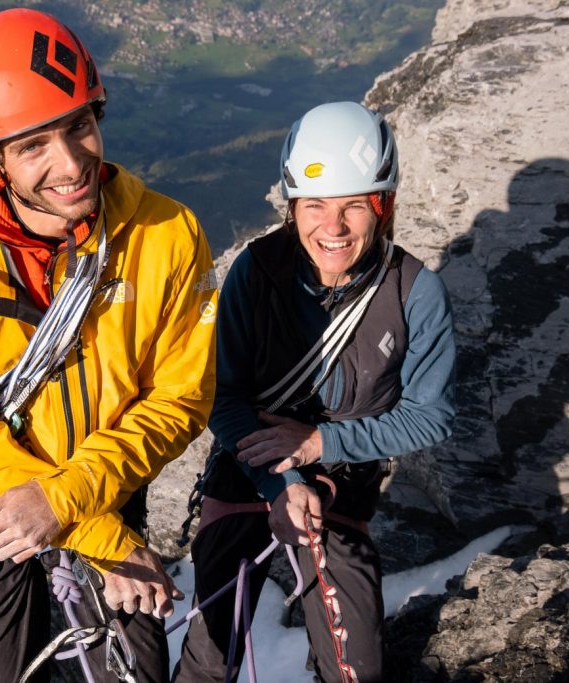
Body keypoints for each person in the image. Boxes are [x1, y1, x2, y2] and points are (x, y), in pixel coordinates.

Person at [0, 8, 217, 682]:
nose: (70, 164)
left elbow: (180, 398)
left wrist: (69, 500)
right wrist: (87, 529)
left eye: (80, 128)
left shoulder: (167, 234)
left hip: (104, 492)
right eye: (33, 145)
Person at [173, 101, 456, 683]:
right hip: (249, 466)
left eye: (355, 205)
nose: (334, 227)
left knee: (356, 669)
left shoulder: (414, 293)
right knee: (208, 656)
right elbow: (222, 397)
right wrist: (281, 479)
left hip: (342, 481)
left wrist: (321, 443)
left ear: (385, 206)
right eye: (316, 205)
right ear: (293, 206)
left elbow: (431, 416)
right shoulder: (257, 272)